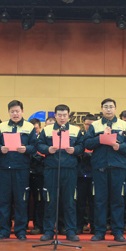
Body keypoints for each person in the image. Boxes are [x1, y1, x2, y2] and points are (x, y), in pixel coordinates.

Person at [84, 98, 126, 242]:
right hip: (100, 167)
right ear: (102, 109)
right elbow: (87, 143)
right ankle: (99, 231)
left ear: (115, 109)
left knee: (118, 200)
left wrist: (119, 146)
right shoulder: (95, 125)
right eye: (106, 107)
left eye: (111, 107)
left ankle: (118, 232)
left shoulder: (124, 125)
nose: (108, 109)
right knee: (100, 200)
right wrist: (101, 138)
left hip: (118, 167)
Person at [36, 104, 84, 242]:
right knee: (50, 201)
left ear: (68, 116)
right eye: (59, 115)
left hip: (69, 169)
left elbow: (82, 146)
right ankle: (49, 231)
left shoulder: (75, 130)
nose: (62, 118)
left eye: (64, 115)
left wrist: (75, 150)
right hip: (51, 169)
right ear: (55, 116)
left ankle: (70, 231)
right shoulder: (47, 130)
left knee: (69, 201)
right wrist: (47, 149)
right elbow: (39, 145)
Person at [0, 100, 37, 241]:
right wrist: (0, 148)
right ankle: (4, 230)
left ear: (22, 112)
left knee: (21, 201)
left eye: (17, 111)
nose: (15, 114)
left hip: (21, 169)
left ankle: (20, 231)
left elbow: (35, 146)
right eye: (12, 111)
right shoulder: (2, 126)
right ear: (9, 112)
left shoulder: (29, 127)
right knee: (4, 200)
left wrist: (26, 149)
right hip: (5, 168)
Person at [77, 114, 96, 234]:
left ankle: (94, 226)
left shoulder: (98, 137)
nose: (89, 126)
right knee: (80, 202)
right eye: (87, 124)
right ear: (83, 124)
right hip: (80, 173)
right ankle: (80, 225)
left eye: (91, 124)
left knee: (94, 202)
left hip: (95, 173)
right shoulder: (80, 136)